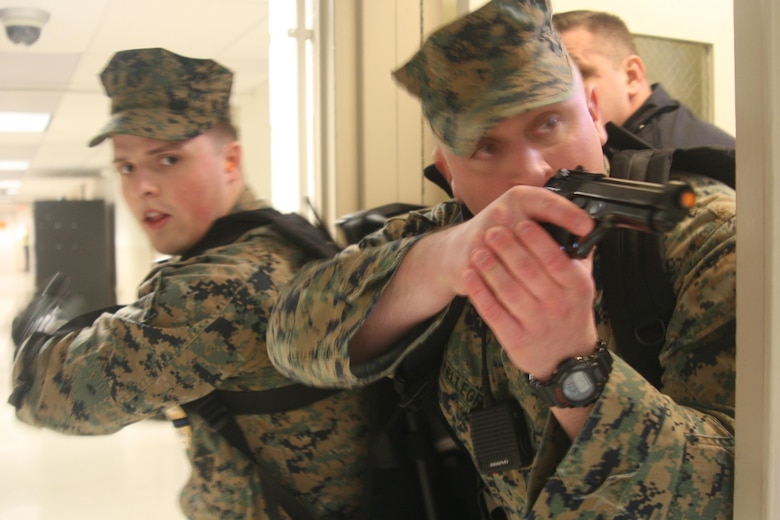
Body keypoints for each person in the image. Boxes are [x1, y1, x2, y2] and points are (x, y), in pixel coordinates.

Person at [267, 1, 736, 518]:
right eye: (487, 147)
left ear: (596, 114)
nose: (531, 171)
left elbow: (739, 489)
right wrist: (448, 261)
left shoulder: (705, 237)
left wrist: (574, 370)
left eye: (549, 123)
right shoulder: (444, 234)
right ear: (448, 170)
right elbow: (290, 336)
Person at [8, 47, 369, 519]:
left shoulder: (222, 285)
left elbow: (51, 396)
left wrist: (34, 345)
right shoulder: (280, 238)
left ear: (229, 161)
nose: (143, 187)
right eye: (126, 167)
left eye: (168, 160)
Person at [552, 9, 736, 151]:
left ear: (631, 76)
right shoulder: (616, 146)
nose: (557, 96)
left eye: (576, 75)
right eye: (550, 82)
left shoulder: (688, 160)